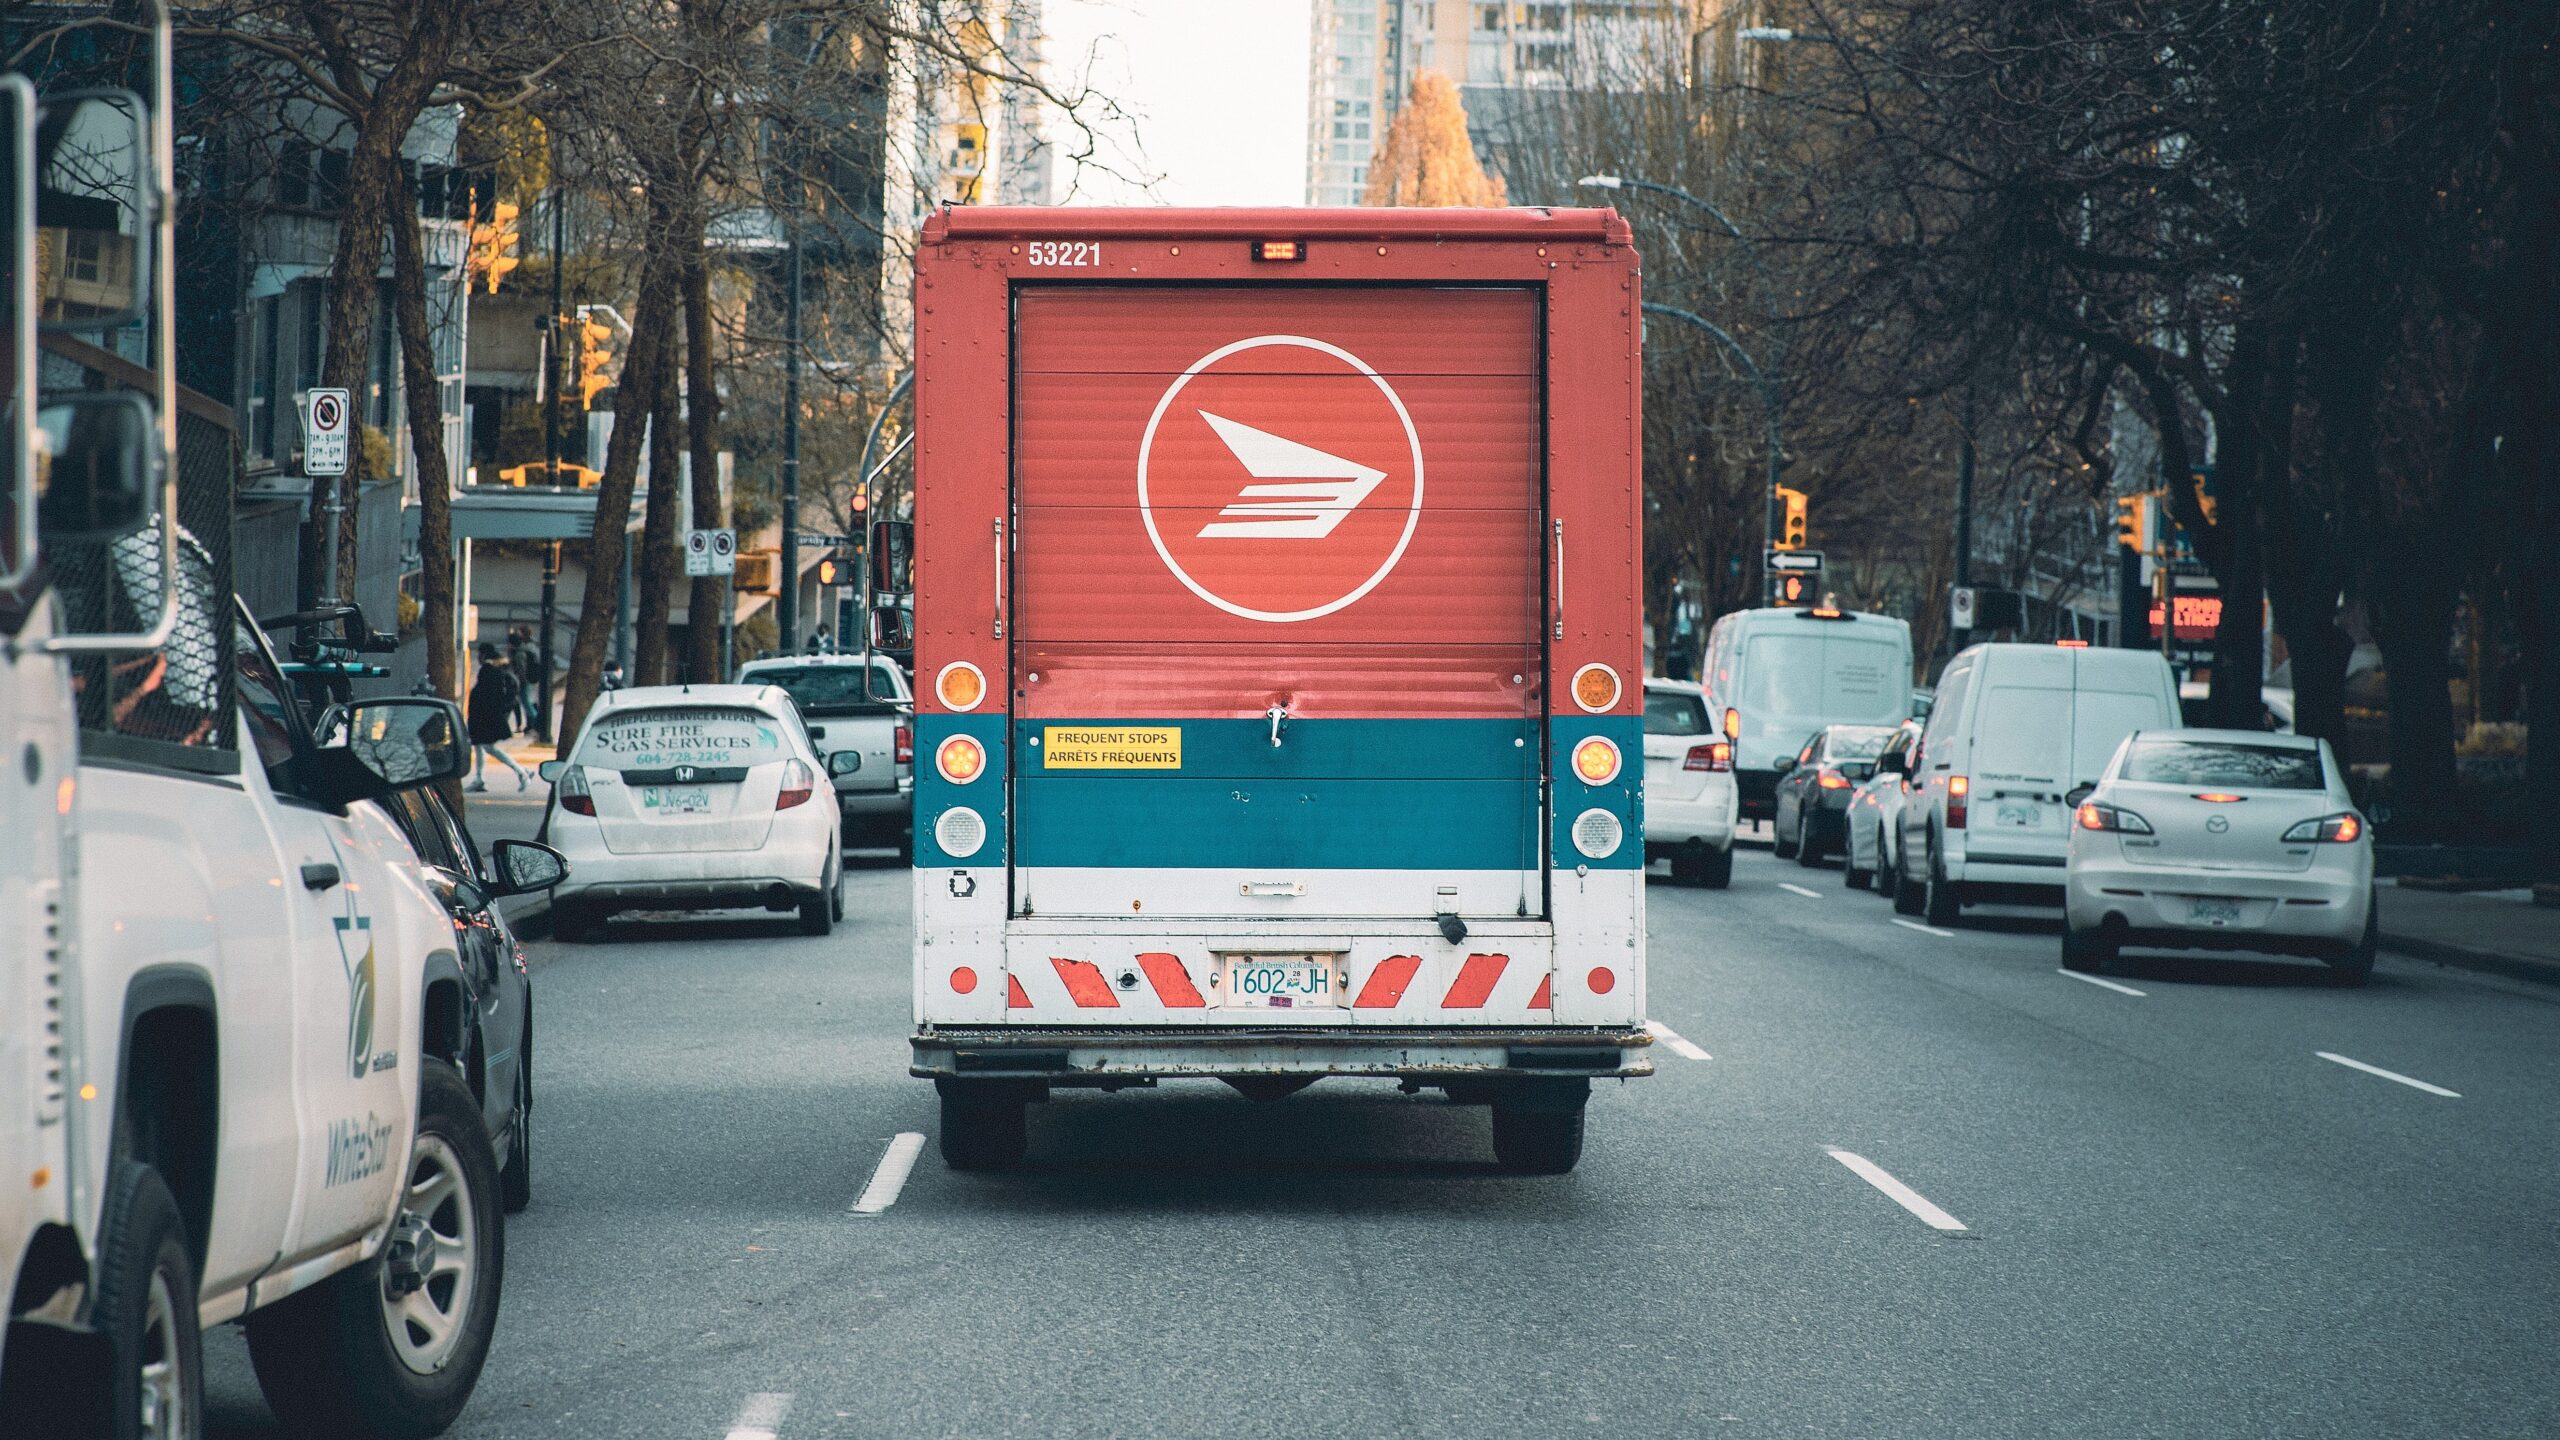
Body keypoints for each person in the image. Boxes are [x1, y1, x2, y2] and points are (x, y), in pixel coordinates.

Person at [466, 643, 527, 791]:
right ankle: (479, 779)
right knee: (480, 746)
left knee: (488, 747)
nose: (478, 657)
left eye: (479, 654)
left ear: (484, 655)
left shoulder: (487, 671)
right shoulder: (498, 670)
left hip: (484, 718)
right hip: (487, 718)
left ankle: (520, 772)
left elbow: (485, 697)